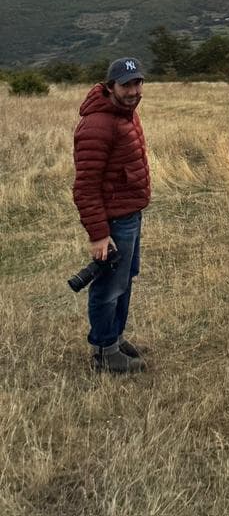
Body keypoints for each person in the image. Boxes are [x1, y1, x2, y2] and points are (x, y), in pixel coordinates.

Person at [72, 56, 151, 373]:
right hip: (115, 221)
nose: (133, 90)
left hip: (130, 213)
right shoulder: (98, 125)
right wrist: (99, 234)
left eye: (137, 82)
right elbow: (85, 186)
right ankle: (106, 352)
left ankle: (114, 339)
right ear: (110, 86)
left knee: (124, 280)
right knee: (108, 287)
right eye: (126, 84)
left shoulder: (126, 114)